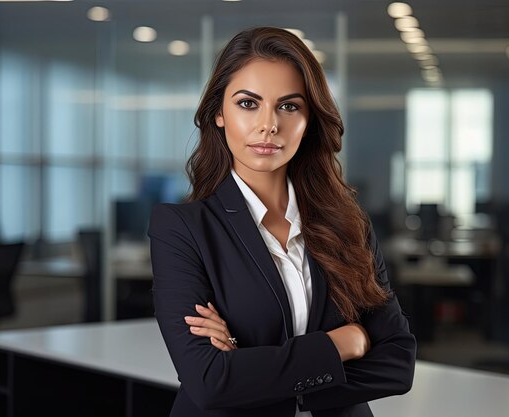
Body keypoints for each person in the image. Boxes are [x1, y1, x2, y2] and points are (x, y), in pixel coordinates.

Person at [148, 26, 416, 417]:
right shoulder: (181, 228)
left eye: (289, 106)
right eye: (248, 104)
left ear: (309, 120)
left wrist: (252, 370)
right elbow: (209, 380)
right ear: (218, 114)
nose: (269, 125)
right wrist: (344, 344)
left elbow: (398, 364)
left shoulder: (348, 224)